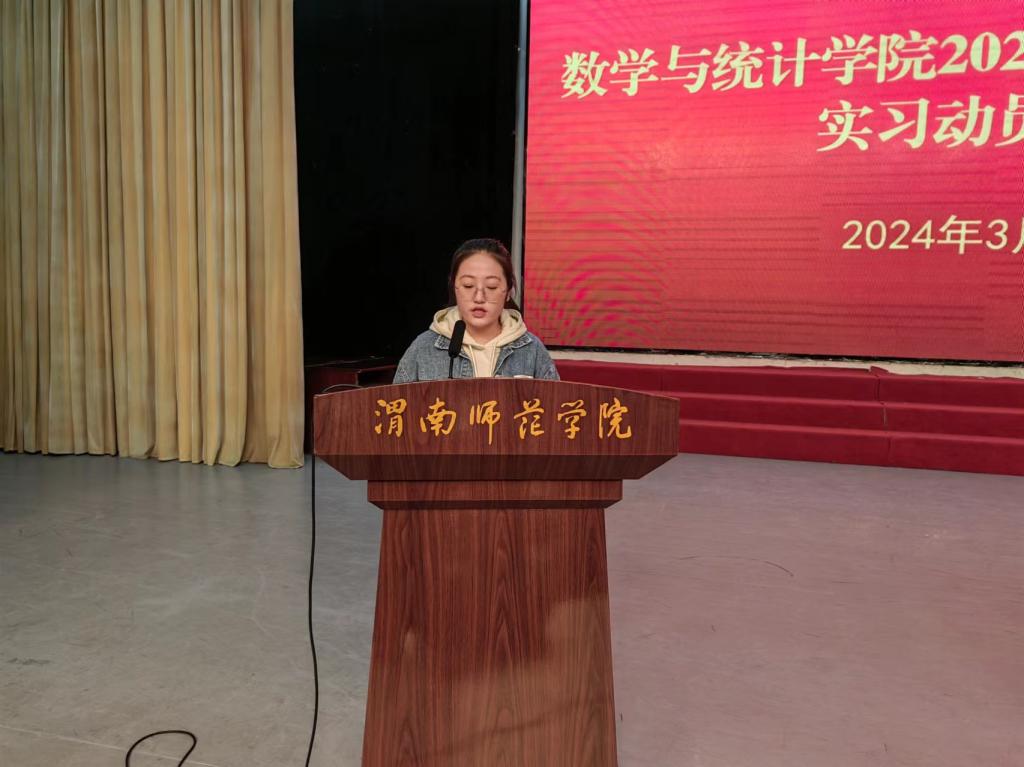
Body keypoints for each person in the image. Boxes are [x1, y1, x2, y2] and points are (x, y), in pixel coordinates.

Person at [393, 238, 559, 382]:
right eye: (468, 285)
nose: (479, 297)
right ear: (454, 287)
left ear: (508, 291)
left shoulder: (532, 350)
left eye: (491, 287)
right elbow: (395, 406)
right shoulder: (423, 348)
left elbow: (555, 406)